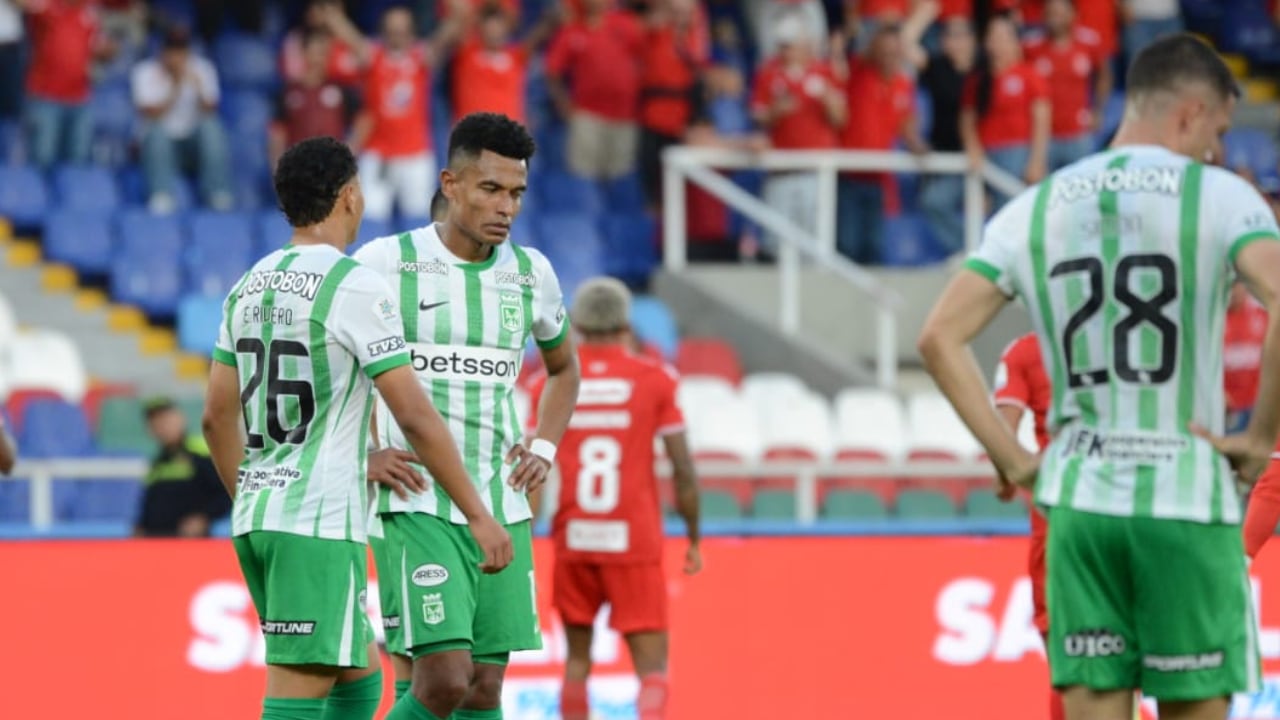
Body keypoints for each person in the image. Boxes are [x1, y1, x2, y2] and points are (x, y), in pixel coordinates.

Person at [917, 34, 1280, 720]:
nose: (1219, 151)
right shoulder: (1223, 198)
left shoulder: (1035, 206)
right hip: (1183, 500)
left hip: (1079, 509)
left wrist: (1018, 463)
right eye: (1219, 132)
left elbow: (938, 335)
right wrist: (1260, 436)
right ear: (1190, 113)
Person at [201, 136, 511, 720]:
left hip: (259, 517)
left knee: (358, 676)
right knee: (297, 693)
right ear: (348, 196)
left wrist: (253, 499)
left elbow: (216, 417)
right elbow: (414, 415)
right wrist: (475, 511)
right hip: (314, 523)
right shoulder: (353, 284)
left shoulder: (250, 284)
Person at [353, 112, 582, 720]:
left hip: (502, 501)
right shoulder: (385, 263)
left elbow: (564, 370)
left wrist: (545, 447)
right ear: (450, 184)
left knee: (485, 688)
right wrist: (360, 454)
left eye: (516, 194)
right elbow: (329, 370)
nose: (505, 207)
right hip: (417, 501)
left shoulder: (532, 273)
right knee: (443, 681)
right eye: (490, 189)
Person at [526, 277, 702, 720]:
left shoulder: (549, 382)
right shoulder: (656, 380)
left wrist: (525, 534)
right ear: (627, 324)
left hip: (575, 535)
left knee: (577, 665)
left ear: (577, 327)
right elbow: (682, 468)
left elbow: (532, 471)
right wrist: (695, 538)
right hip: (633, 540)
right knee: (653, 670)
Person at [362, 182, 454, 704]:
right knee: (418, 660)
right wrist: (362, 457)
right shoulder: (384, 280)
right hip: (405, 505)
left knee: (475, 674)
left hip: (473, 506)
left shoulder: (494, 298)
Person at [336, 3, 468, 221]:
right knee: (369, 221)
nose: (397, 36)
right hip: (377, 154)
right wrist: (332, 14)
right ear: (383, 32)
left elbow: (451, 29)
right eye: (392, 31)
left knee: (419, 224)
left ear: (411, 33)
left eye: (402, 31)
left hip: (415, 155)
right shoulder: (373, 56)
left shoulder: (421, 57)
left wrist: (455, 10)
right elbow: (344, 32)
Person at [990, 333, 1063, 720]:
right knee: (1124, 656)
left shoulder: (1027, 349)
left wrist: (1008, 475)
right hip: (1130, 499)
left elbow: (1003, 433)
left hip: (1057, 507)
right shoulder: (1131, 337)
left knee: (1067, 666)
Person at [130, 26, 233, 212]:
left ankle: (217, 193)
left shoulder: (202, 68)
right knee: (156, 131)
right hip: (158, 148)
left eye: (181, 50)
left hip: (192, 146)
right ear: (162, 51)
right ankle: (160, 195)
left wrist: (199, 89)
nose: (176, 56)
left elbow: (211, 110)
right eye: (171, 50)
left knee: (211, 128)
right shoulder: (144, 72)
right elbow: (149, 114)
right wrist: (175, 87)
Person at [960, 12, 1049, 207]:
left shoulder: (1029, 75)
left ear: (1015, 41)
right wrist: (973, 147)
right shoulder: (978, 79)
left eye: (1003, 36)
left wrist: (1036, 160)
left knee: (1014, 209)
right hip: (986, 154)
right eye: (993, 36)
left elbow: (1041, 119)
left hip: (1017, 151)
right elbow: (967, 119)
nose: (998, 43)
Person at [1023, 0, 1113, 170]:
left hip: (1078, 132)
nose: (1055, 18)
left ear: (1073, 15)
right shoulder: (1031, 46)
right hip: (1045, 136)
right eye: (1051, 13)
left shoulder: (1089, 42)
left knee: (1081, 185)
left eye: (1060, 13)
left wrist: (1098, 110)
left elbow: (1104, 75)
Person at [134, 397, 230, 538]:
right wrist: (141, 526)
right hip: (156, 542)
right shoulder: (158, 462)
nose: (161, 426)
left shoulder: (202, 452)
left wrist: (203, 518)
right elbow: (150, 504)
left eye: (165, 420)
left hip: (191, 544)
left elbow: (227, 493)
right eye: (155, 422)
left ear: (180, 419)